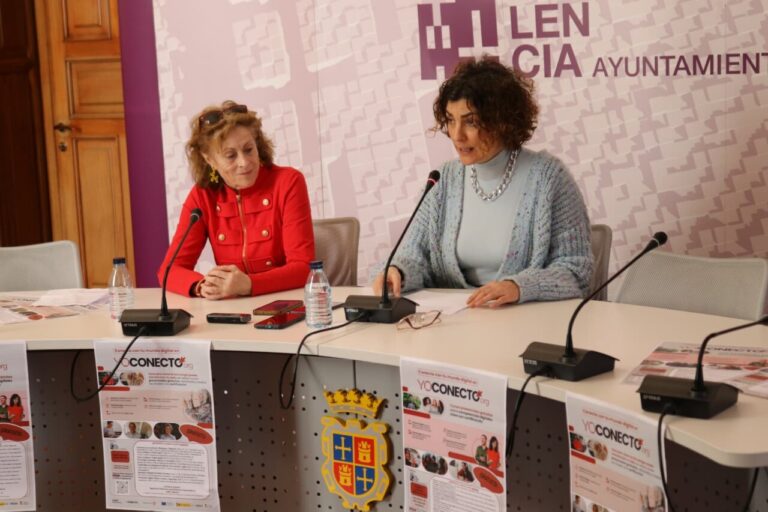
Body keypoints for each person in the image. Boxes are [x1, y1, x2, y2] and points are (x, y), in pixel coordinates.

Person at [373, 57, 592, 307]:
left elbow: (576, 271)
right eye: (451, 120)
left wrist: (520, 287)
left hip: (526, 319)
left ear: (502, 121)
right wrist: (398, 271)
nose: (457, 135)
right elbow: (412, 255)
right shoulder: (442, 181)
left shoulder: (549, 179)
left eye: (471, 121)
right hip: (455, 323)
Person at [159, 101, 315, 299]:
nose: (244, 162)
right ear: (209, 159)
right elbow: (169, 270)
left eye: (249, 149)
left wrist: (248, 284)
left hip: (285, 302)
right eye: (230, 155)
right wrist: (202, 286)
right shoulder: (202, 195)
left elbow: (303, 268)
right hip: (232, 308)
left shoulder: (288, 182)